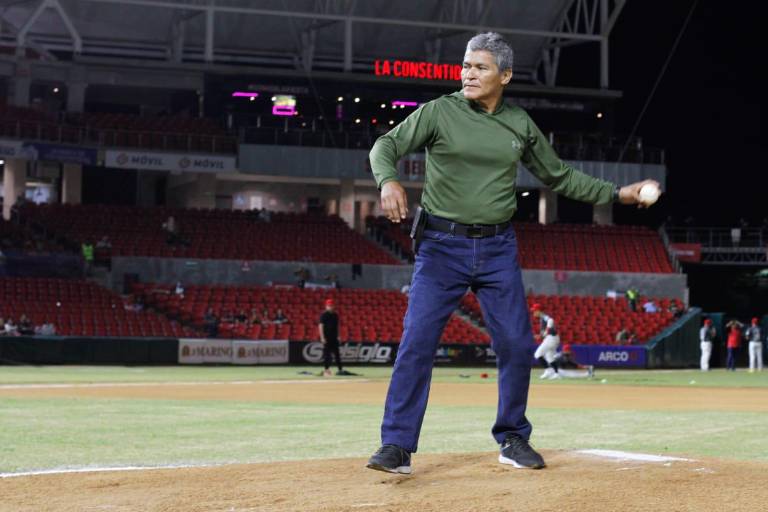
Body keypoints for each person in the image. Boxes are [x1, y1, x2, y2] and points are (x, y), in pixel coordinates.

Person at [365, 32, 659, 475]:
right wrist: (388, 180)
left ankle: (512, 437)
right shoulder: (439, 111)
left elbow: (559, 176)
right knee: (417, 343)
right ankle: (397, 446)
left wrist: (619, 194)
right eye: (466, 66)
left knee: (518, 345)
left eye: (480, 67)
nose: (468, 74)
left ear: (504, 75)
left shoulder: (519, 124)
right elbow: (385, 145)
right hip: (441, 247)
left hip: (497, 248)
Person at [531, 304, 561, 380]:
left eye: (534, 311)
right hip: (553, 338)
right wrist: (540, 335)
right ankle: (557, 374)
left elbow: (551, 320)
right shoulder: (542, 318)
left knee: (537, 354)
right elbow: (544, 332)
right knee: (549, 357)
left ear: (538, 311)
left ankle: (548, 371)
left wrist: (545, 333)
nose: (533, 312)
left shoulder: (544, 316)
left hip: (551, 338)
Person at [318, 299, 343, 377]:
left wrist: (338, 336)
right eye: (329, 305)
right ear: (326, 306)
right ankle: (326, 370)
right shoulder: (324, 315)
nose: (330, 307)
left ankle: (340, 370)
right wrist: (322, 337)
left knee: (337, 354)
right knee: (327, 355)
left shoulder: (335, 315)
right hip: (327, 338)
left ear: (334, 306)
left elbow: (337, 326)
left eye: (331, 305)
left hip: (334, 337)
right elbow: (320, 326)